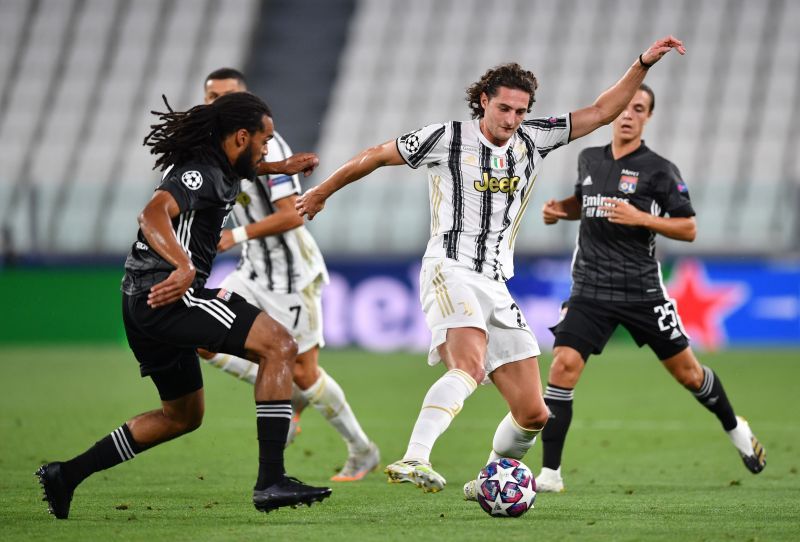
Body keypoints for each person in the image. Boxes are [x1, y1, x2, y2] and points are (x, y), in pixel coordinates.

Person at [296, 37, 687, 494]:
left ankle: (486, 483)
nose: (512, 120)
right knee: (469, 366)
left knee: (534, 412)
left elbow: (601, 111)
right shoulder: (445, 137)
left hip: (496, 282)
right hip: (449, 267)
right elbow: (376, 155)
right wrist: (322, 191)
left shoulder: (533, 139)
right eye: (504, 109)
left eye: (521, 112)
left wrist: (642, 63)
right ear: (484, 101)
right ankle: (414, 457)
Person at [36, 92, 331, 519]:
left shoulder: (223, 164)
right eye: (264, 142)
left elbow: (239, 173)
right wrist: (183, 265)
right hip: (170, 296)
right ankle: (271, 481)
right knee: (280, 345)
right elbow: (153, 213)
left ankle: (65, 475)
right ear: (241, 136)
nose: (268, 148)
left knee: (182, 416)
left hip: (142, 302)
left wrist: (278, 168)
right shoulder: (200, 172)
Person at [531, 84, 766, 492]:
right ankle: (550, 474)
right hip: (589, 287)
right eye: (624, 106)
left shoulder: (660, 169)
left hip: (642, 291)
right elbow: (583, 202)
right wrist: (559, 211)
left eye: (638, 108)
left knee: (690, 375)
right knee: (562, 366)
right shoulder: (589, 158)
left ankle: (735, 428)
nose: (627, 114)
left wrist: (643, 219)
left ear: (647, 117)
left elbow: (688, 227)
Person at [198, 68, 379, 482]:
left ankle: (362, 450)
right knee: (199, 335)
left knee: (305, 371)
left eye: (227, 96)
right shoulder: (213, 150)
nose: (218, 103)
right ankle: (285, 392)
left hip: (291, 275)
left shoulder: (267, 145)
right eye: (212, 96)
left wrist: (235, 235)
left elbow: (292, 217)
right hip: (253, 269)